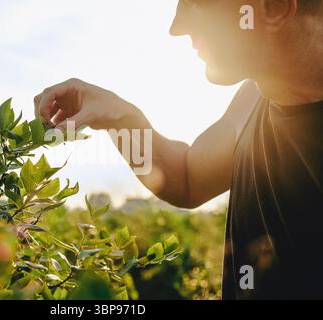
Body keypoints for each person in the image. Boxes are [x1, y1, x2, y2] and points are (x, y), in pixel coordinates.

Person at [33, 0, 323, 299]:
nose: (176, 27)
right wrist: (119, 117)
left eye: (194, 3)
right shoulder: (255, 95)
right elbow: (187, 179)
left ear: (273, 7)